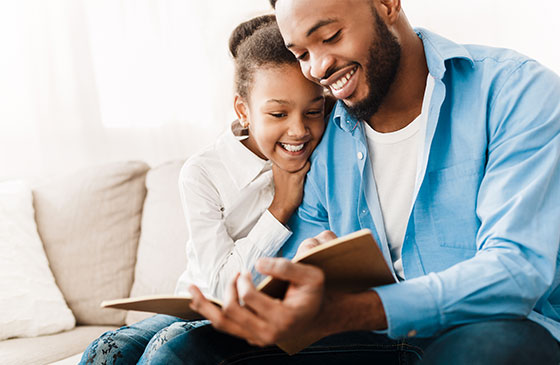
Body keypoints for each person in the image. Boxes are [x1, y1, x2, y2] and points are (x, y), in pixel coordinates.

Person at [182, 0, 560, 364]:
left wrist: (355, 311)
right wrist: (312, 268)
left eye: (330, 37)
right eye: (301, 54)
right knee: (185, 349)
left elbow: (516, 270)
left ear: (387, 3)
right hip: (371, 342)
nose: (318, 68)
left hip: (497, 331)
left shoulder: (514, 91)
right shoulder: (325, 136)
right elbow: (291, 269)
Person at [79, 15, 326, 364]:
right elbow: (221, 290)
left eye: (314, 111)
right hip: (199, 306)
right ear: (244, 111)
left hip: (262, 314)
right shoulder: (203, 172)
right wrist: (280, 206)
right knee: (110, 348)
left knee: (170, 347)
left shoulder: (326, 151)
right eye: (278, 114)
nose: (299, 130)